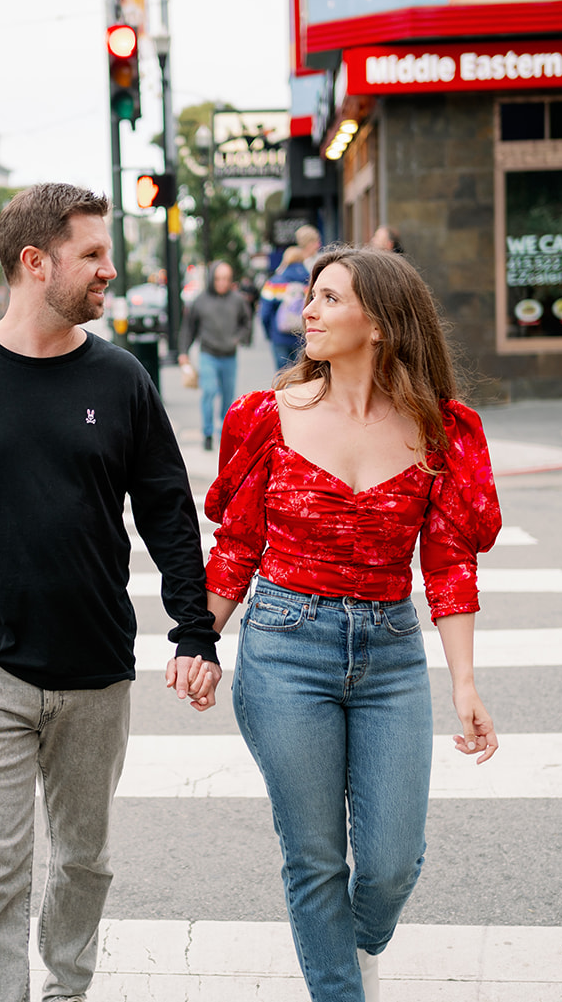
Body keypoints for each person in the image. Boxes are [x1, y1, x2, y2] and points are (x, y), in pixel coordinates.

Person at [0, 182, 223, 1002]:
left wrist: (193, 631)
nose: (110, 270)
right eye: (93, 254)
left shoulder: (123, 378)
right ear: (37, 262)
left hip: (96, 668)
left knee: (83, 862)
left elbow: (168, 512)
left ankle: (68, 989)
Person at [174, 245, 501, 1002]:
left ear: (380, 323)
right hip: (286, 648)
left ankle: (354, 946)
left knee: (391, 860)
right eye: (308, 299)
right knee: (315, 857)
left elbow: (449, 564)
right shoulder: (267, 417)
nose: (305, 313)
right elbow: (238, 544)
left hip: (389, 650)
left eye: (326, 299)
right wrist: (201, 638)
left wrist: (465, 683)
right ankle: (340, 987)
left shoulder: (439, 429)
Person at [177, 260, 255, 452]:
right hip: (208, 354)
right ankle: (208, 433)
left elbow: (247, 322)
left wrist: (240, 338)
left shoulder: (237, 300)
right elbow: (189, 328)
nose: (222, 283)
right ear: (212, 278)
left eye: (226, 279)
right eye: (219, 278)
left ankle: (224, 433)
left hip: (229, 355)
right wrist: (183, 352)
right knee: (209, 391)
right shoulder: (200, 300)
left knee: (228, 397)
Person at [260, 225, 321, 370]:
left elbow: (265, 311)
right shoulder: (312, 275)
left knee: (282, 377)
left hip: (280, 335)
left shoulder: (277, 279)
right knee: (303, 376)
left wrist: (270, 333)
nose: (318, 245)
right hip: (303, 335)